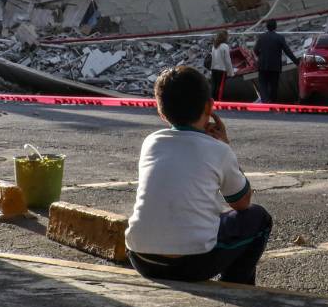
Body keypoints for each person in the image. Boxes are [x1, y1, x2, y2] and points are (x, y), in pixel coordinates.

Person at [125, 65, 272, 285]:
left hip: (141, 258)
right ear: (209, 107)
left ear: (161, 112)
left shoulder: (151, 142)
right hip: (192, 264)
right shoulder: (219, 150)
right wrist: (225, 144)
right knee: (259, 218)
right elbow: (242, 203)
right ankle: (237, 286)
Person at [252, 19, 297, 103]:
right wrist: (296, 62)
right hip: (274, 66)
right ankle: (272, 102)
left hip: (263, 65)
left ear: (267, 27)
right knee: (274, 85)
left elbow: (255, 50)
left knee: (263, 84)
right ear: (275, 27)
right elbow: (287, 51)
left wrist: (261, 57)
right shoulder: (279, 38)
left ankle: (265, 101)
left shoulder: (261, 37)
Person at [208, 30, 232, 100]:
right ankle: (219, 101)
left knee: (214, 85)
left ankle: (213, 100)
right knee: (220, 85)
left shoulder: (215, 44)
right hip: (221, 69)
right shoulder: (224, 46)